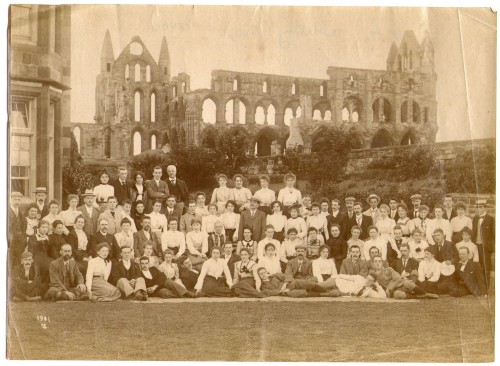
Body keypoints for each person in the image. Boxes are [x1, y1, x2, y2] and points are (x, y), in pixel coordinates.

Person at [371, 255, 438, 299]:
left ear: (382, 263)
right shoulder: (373, 275)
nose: (377, 263)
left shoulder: (389, 269)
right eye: (375, 261)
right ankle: (420, 296)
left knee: (408, 284)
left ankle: (425, 293)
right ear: (373, 263)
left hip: (400, 284)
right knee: (398, 295)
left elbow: (397, 278)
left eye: (379, 261)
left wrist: (389, 288)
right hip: (393, 291)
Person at [256, 267, 324, 298]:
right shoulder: (262, 286)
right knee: (299, 293)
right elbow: (269, 292)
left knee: (309, 283)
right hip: (285, 292)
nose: (263, 274)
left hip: (291, 283)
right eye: (261, 274)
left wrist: (285, 284)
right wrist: (281, 291)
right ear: (258, 276)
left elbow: (287, 276)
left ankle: (324, 290)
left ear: (266, 272)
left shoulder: (274, 276)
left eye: (264, 272)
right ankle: (325, 294)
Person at [472, 199, 494, 288]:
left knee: (486, 266)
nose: (479, 209)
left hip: (485, 247)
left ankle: (486, 287)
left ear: (485, 208)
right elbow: (474, 232)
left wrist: (490, 247)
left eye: (481, 207)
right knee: (477, 266)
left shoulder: (491, 219)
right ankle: (479, 285)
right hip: (476, 246)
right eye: (478, 207)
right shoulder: (475, 218)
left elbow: (494, 235)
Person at [9, 191, 27, 269]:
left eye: (19, 200)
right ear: (10, 200)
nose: (17, 202)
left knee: (19, 260)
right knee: (10, 261)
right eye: (15, 199)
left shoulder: (21, 213)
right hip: (10, 241)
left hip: (19, 242)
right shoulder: (6, 212)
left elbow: (23, 228)